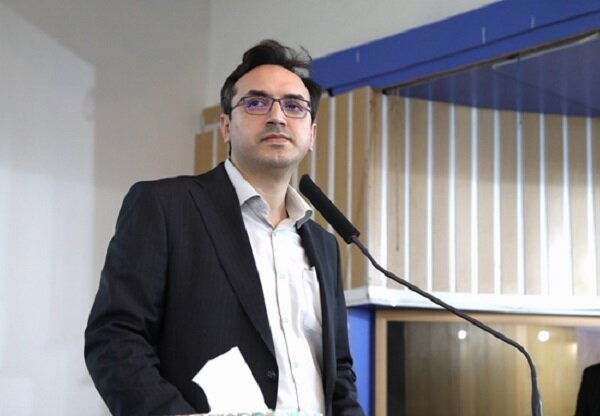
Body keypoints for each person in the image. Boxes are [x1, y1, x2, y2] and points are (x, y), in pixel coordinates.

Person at [84, 39, 365, 416]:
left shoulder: (324, 244)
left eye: (294, 106)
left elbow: (339, 371)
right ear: (226, 126)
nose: (277, 117)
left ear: (311, 134)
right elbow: (115, 339)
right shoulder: (165, 207)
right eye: (257, 103)